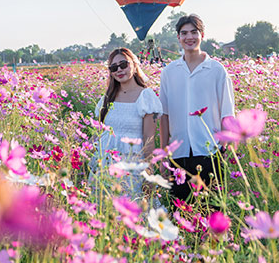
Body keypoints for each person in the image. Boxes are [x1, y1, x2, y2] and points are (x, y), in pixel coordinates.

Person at [159, 14, 235, 202]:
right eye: (184, 33)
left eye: (194, 32)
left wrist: (223, 147)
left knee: (212, 208)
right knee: (180, 209)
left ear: (202, 35)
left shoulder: (216, 70)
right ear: (178, 37)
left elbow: (227, 112)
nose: (189, 37)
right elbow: (164, 116)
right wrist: (163, 154)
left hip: (210, 151)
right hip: (179, 153)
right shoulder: (169, 72)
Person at [90, 47, 163, 198]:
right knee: (104, 206)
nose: (119, 70)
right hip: (105, 164)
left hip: (132, 165)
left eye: (124, 64)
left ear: (135, 65)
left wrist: (149, 173)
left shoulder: (146, 96)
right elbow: (99, 132)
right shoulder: (107, 97)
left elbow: (149, 139)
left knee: (131, 205)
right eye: (113, 67)